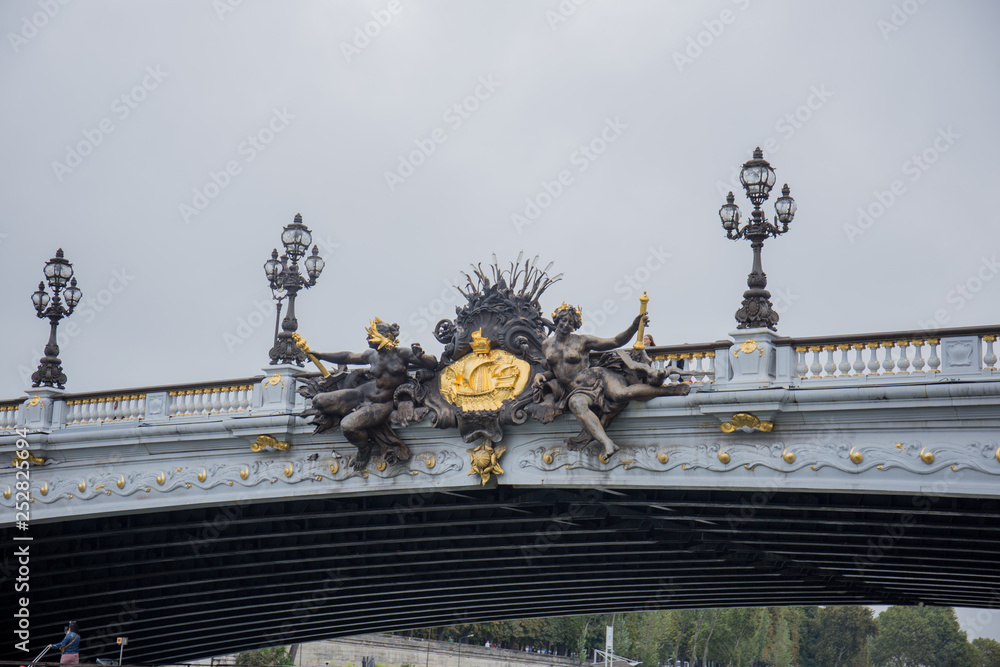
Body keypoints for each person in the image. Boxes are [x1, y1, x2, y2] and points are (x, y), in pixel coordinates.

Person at [534, 304, 690, 458]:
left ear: (575, 325)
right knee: (576, 404)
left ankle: (669, 390)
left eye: (570, 322)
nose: (565, 324)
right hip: (576, 390)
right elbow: (553, 370)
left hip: (595, 377)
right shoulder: (546, 344)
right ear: (557, 319)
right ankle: (607, 443)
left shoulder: (582, 341)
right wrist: (541, 376)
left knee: (621, 394)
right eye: (563, 320)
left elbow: (615, 341)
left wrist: (634, 327)